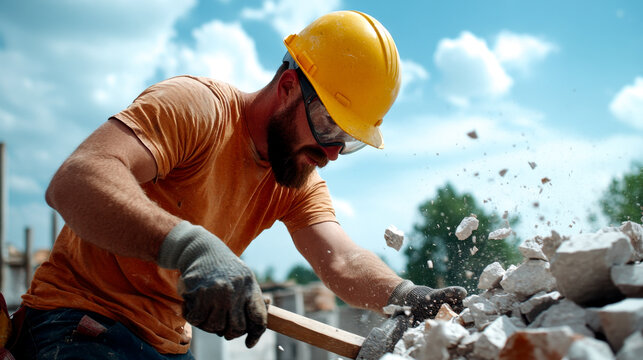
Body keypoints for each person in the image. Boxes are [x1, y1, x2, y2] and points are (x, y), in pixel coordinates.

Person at [11, 10, 466, 359]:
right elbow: (76, 180)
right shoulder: (198, 110)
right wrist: (191, 248)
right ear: (288, 86)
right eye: (329, 126)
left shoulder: (294, 176)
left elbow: (342, 260)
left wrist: (405, 296)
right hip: (80, 321)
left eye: (348, 141)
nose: (330, 153)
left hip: (168, 341)